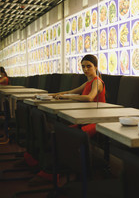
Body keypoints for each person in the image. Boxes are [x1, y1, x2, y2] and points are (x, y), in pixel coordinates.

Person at [20, 54, 106, 186]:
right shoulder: (88, 82)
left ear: (96, 67)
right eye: (83, 66)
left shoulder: (97, 81)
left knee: (66, 138)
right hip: (85, 119)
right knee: (59, 136)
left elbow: (89, 97)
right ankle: (49, 168)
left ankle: (55, 172)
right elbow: (70, 91)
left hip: (97, 122)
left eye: (89, 66)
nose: (85, 69)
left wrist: (67, 97)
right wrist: (53, 95)